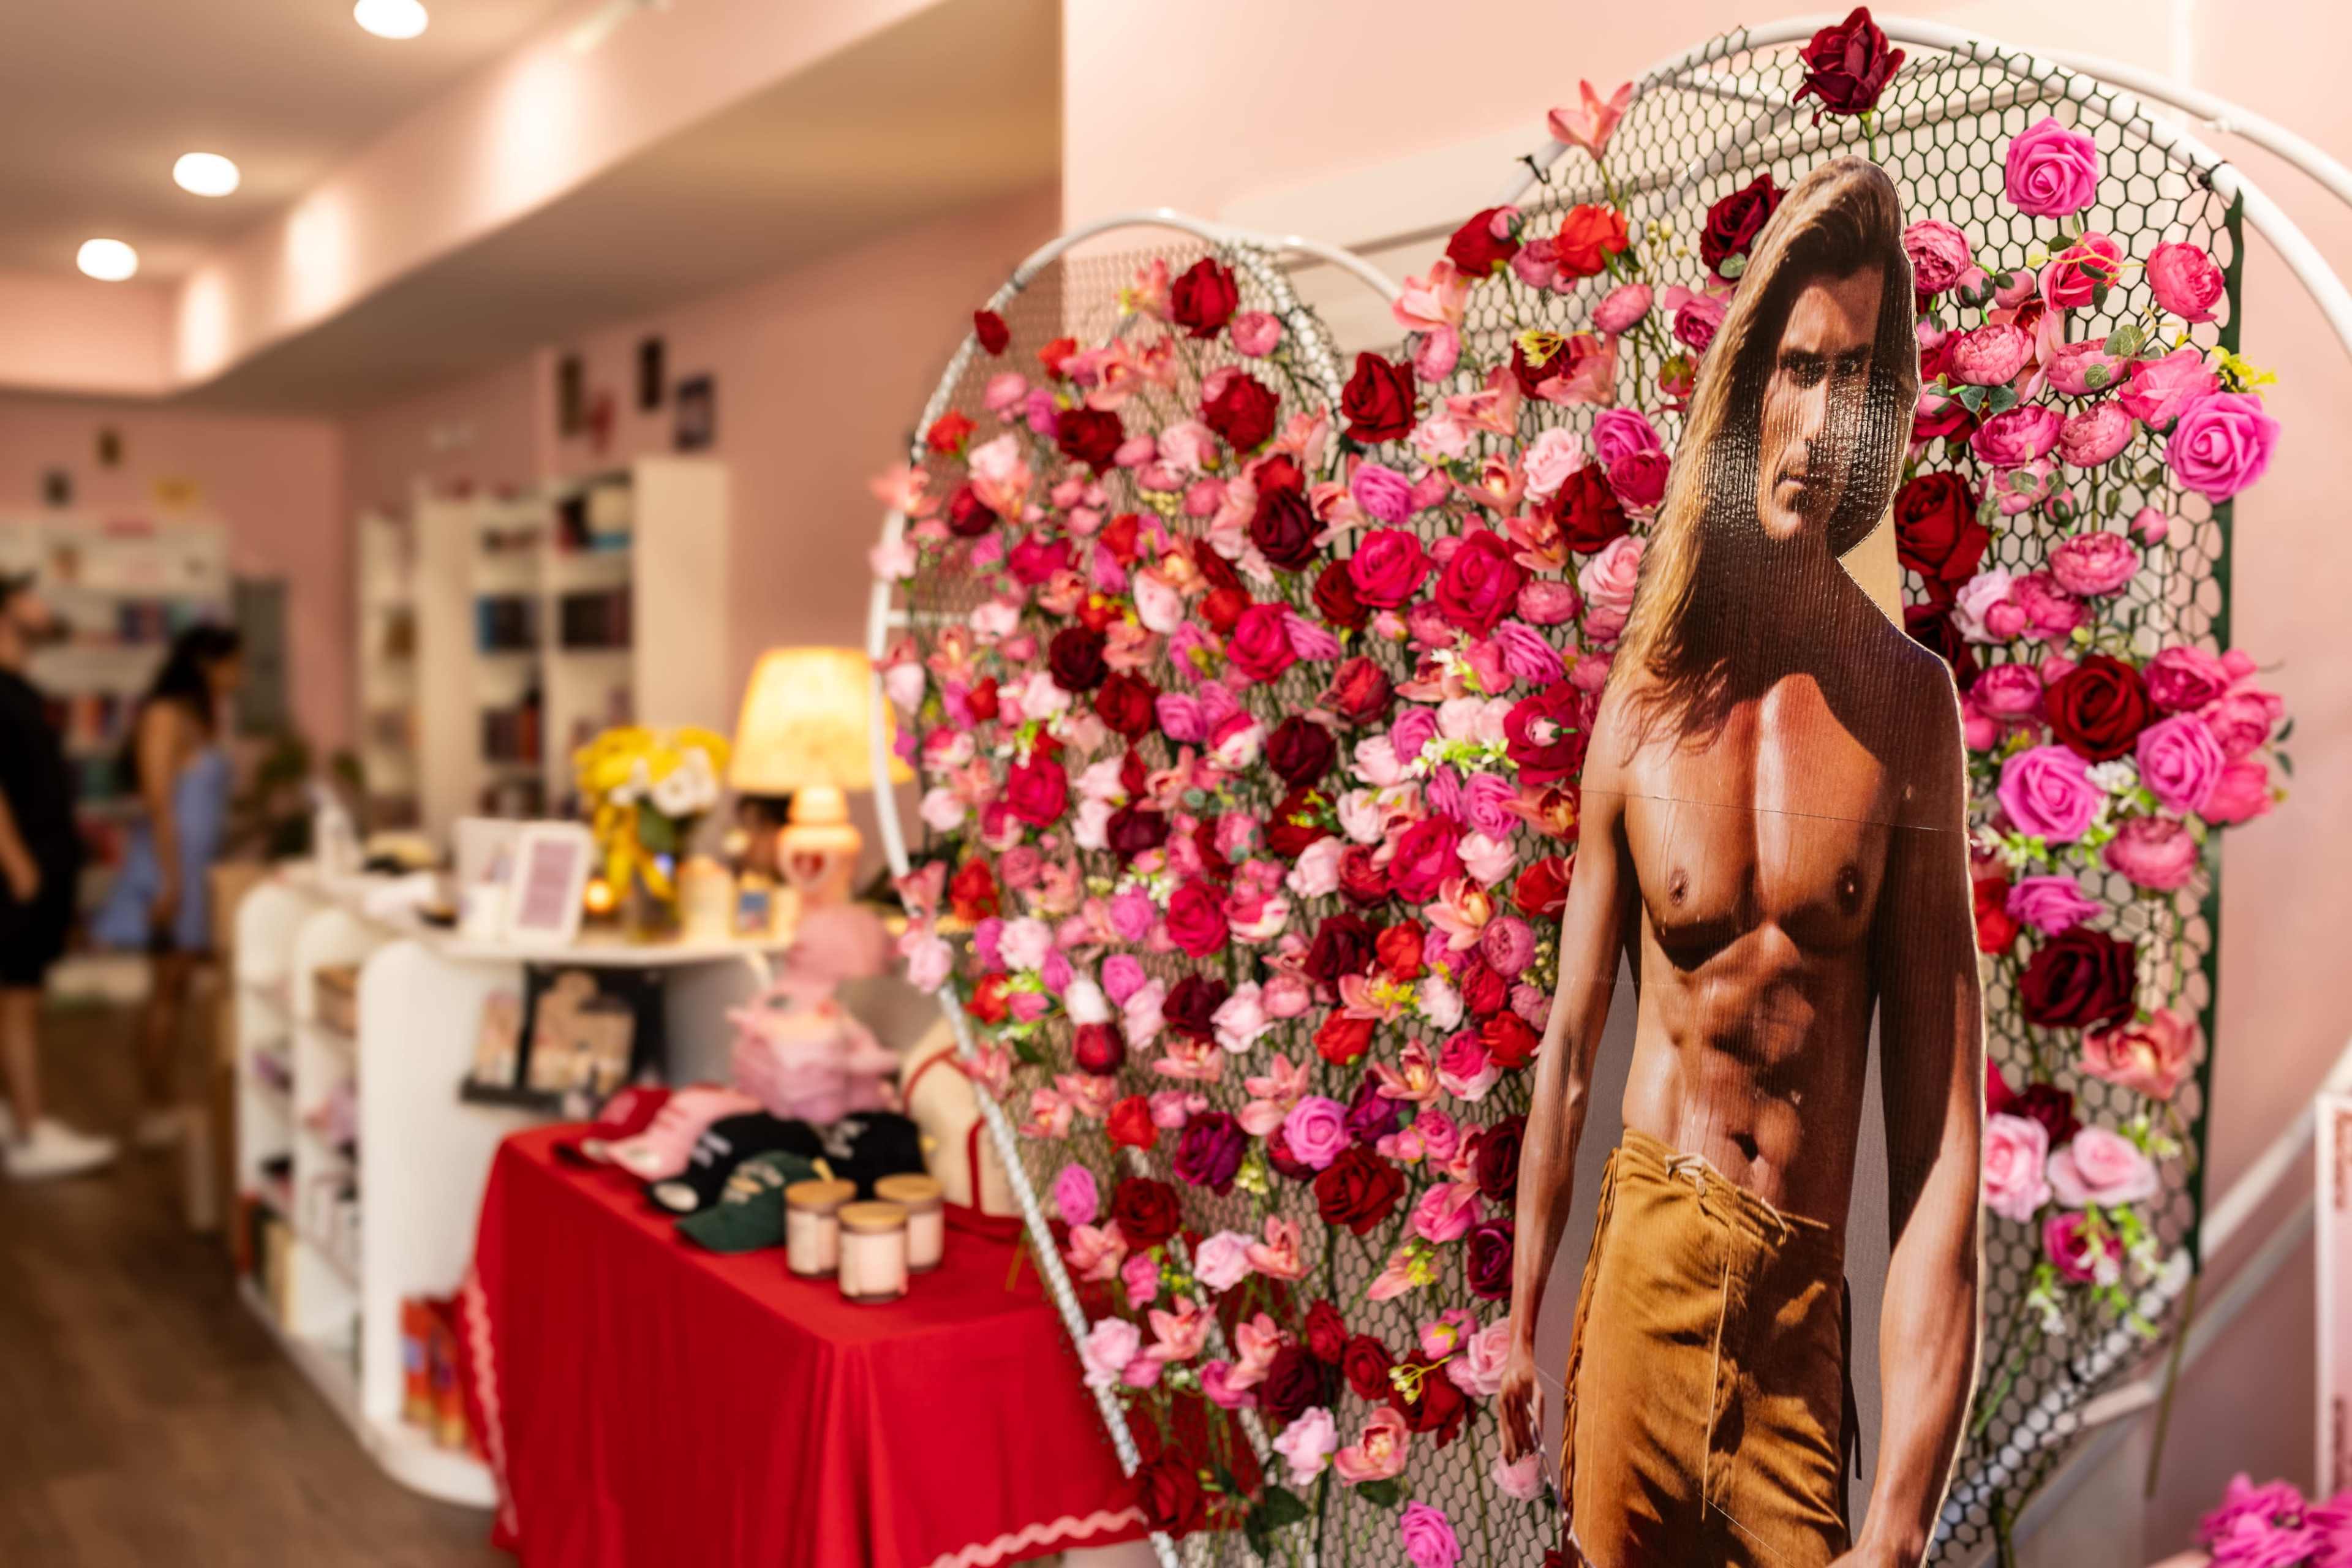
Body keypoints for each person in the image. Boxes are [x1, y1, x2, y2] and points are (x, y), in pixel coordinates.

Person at [1498, 158, 1984, 1568]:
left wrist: (1894, 1521)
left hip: (1793, 1316)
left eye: (1857, 382)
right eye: (1796, 368)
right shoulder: (1645, 699)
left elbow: (1942, 1136)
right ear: (1741, 389)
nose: (1822, 422)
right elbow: (1572, 1042)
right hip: (1642, 1278)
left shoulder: (1903, 707)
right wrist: (1519, 1306)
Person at [92, 623, 241, 1147]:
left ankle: (167, 1098)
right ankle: (153, 1105)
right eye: (232, 664)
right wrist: (172, 883)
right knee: (165, 989)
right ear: (206, 663)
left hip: (194, 872)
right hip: (166, 871)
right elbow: (158, 802)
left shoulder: (204, 720)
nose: (239, 676)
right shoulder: (163, 717)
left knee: (175, 991)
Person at [0, 574, 118, 1178]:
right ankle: (30, 1130)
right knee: (19, 999)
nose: (45, 606)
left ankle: (15, 1118)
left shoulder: (21, 687)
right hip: (20, 872)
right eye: (31, 596)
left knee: (17, 997)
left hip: (41, 862)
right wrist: (16, 859)